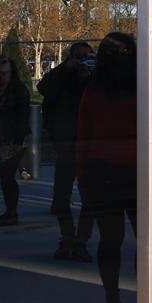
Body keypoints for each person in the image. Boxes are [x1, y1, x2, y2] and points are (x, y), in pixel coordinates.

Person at [76, 32, 137, 303]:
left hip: (101, 170)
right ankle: (146, 296)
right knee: (146, 241)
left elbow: (83, 136)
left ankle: (112, 299)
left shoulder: (94, 89)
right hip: (137, 169)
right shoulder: (141, 88)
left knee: (110, 241)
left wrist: (82, 175)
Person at [38, 42, 95, 261]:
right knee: (61, 198)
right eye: (79, 58)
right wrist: (66, 69)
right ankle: (69, 238)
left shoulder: (92, 79)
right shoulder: (61, 77)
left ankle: (78, 240)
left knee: (87, 198)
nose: (82, 62)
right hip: (67, 144)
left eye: (86, 57)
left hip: (84, 144)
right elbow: (44, 88)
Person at [0, 56, 31, 226]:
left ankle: (12, 212)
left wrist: (17, 139)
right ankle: (10, 211)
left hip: (10, 137)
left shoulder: (18, 89)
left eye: (5, 63)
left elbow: (22, 115)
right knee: (4, 176)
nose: (1, 67)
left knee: (7, 176)